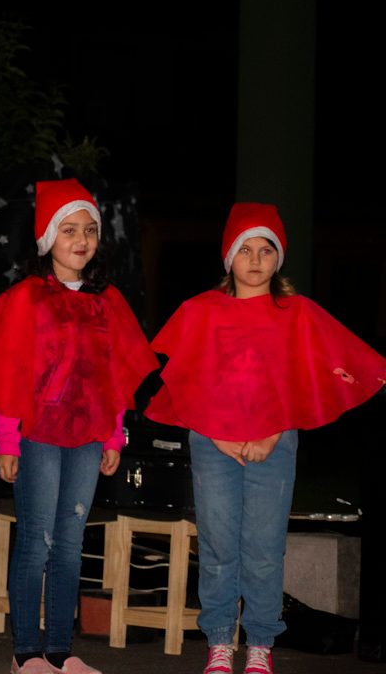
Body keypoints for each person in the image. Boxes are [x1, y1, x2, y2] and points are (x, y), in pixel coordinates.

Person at [145, 202, 385, 674]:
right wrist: (217, 433)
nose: (255, 260)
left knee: (263, 547)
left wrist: (274, 432)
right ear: (228, 257)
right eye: (245, 250)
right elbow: (187, 381)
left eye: (266, 250)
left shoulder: (296, 314)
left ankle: (259, 643)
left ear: (279, 258)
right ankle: (218, 640)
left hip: (274, 445)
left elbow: (308, 379)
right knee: (217, 546)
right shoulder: (200, 311)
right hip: (213, 445)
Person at [0, 179, 157, 674]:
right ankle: (27, 653)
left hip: (86, 439)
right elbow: (7, 372)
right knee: (37, 539)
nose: (81, 239)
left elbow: (113, 376)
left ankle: (61, 652)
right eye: (69, 230)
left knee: (69, 544)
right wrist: (7, 442)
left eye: (89, 229)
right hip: (38, 436)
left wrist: (113, 436)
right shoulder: (28, 298)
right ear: (47, 239)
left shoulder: (107, 302)